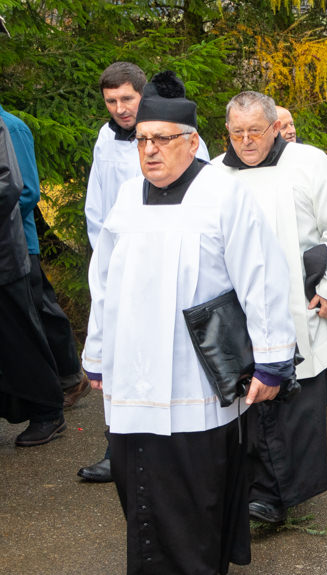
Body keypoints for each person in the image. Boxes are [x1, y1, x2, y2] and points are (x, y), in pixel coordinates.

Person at [81, 71, 296, 575]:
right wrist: (96, 355)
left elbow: (262, 278)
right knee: (138, 488)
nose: (150, 150)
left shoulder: (223, 194)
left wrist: (271, 361)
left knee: (193, 493)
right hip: (133, 380)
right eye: (142, 141)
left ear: (192, 141)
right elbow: (104, 283)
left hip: (193, 380)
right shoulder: (127, 198)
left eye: (163, 139)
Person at [212, 91, 327, 524]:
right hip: (239, 310)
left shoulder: (308, 162)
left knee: (298, 396)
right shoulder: (215, 176)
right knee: (249, 393)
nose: (245, 141)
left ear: (276, 127)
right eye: (237, 133)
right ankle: (255, 486)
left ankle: (285, 492)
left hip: (303, 302)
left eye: (255, 131)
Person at [78, 62, 210, 484]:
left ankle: (172, 450)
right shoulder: (105, 138)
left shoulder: (185, 140)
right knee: (124, 362)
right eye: (111, 101)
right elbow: (98, 203)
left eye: (127, 99)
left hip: (170, 270)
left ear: (143, 94)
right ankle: (116, 446)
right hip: (122, 265)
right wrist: (107, 260)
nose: (119, 109)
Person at [0, 103, 89, 407]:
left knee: (41, 309)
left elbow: (27, 191)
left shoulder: (11, 127)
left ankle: (71, 378)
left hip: (19, 239)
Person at [0, 117, 66, 447]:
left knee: (24, 332)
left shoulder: (6, 126)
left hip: (9, 250)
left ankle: (49, 409)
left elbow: (17, 187)